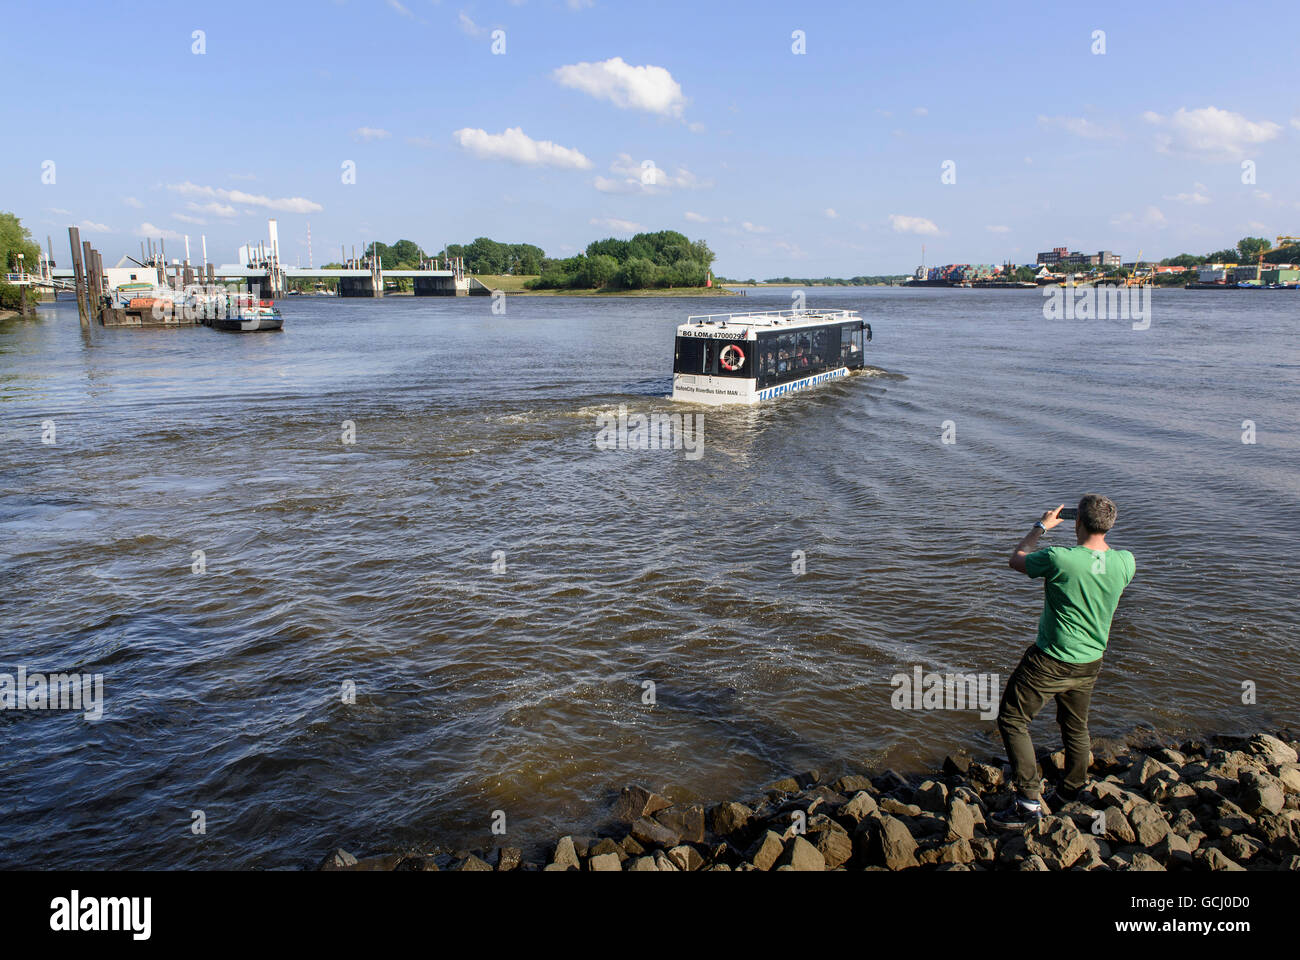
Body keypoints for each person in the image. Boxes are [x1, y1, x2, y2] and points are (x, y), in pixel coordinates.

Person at [991, 494, 1136, 828]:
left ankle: (1027, 803)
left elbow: (1017, 559)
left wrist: (1040, 527)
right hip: (1091, 660)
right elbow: (1101, 567)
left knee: (1012, 718)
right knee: (1074, 724)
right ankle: (1071, 789)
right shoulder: (1126, 562)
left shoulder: (1060, 558)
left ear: (1077, 522)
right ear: (1109, 525)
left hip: (1051, 658)